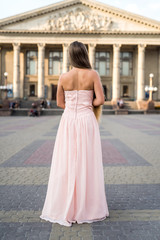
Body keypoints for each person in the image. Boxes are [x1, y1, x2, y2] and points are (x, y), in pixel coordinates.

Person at [40, 41, 109, 227]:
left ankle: (65, 204)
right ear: (84, 55)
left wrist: (73, 106)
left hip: (68, 120)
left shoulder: (63, 77)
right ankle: (88, 206)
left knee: (67, 160)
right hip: (87, 120)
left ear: (70, 56)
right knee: (87, 160)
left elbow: (60, 104)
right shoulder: (93, 74)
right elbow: (101, 99)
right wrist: (87, 104)